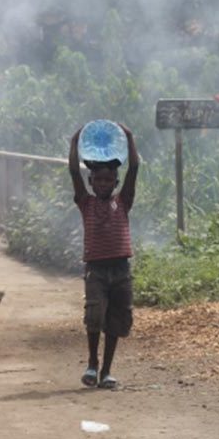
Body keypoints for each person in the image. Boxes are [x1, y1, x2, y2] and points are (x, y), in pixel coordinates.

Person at [68, 123, 139, 389]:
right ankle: (91, 363)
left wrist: (129, 137)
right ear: (91, 182)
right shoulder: (85, 202)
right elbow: (74, 170)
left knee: (117, 320)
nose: (103, 184)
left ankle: (107, 370)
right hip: (96, 270)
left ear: (116, 183)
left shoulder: (123, 201)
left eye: (108, 180)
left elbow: (134, 168)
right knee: (95, 315)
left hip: (121, 269)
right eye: (98, 179)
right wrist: (75, 143)